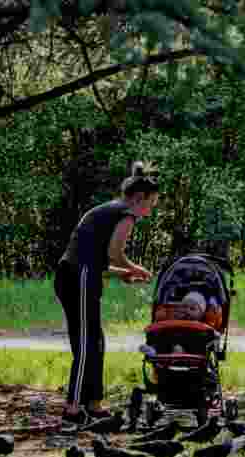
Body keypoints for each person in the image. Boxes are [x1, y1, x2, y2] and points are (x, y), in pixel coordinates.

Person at [54, 160, 160, 428]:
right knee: (86, 345)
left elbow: (95, 261)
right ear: (139, 198)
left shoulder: (109, 210)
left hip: (78, 276)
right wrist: (137, 268)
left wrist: (122, 274)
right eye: (151, 204)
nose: (150, 210)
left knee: (96, 342)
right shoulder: (126, 214)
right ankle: (72, 409)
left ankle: (94, 404)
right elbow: (114, 254)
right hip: (77, 278)